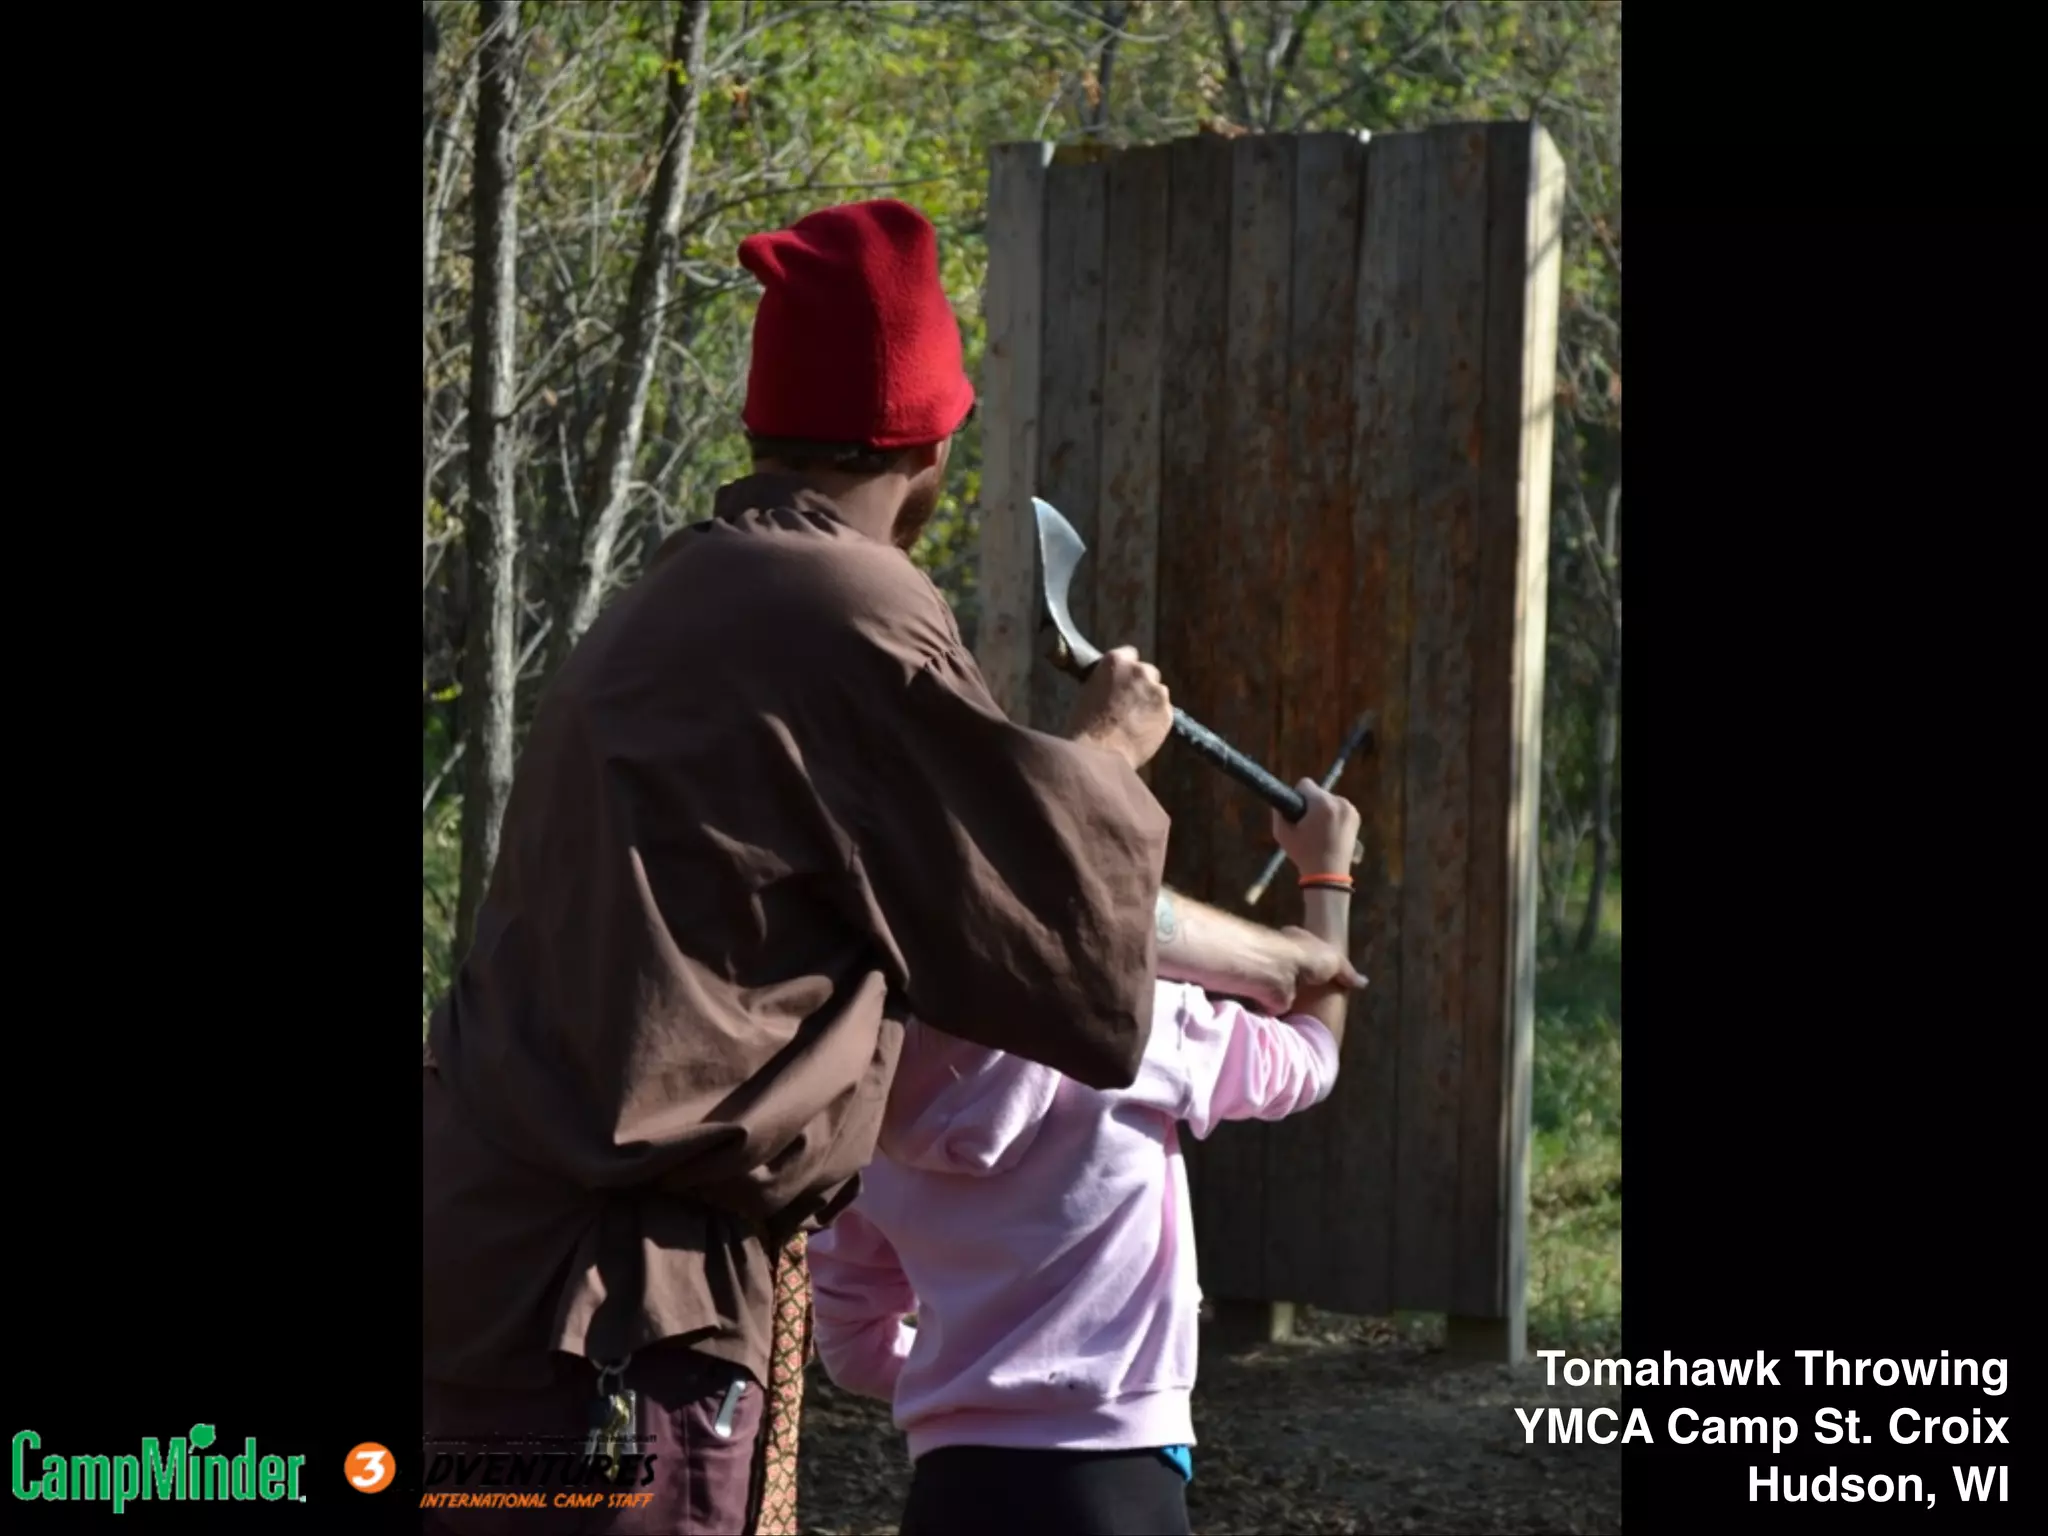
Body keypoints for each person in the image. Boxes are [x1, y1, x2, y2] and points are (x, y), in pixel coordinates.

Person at [421, 197, 1363, 1536]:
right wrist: (1141, 783)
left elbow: (965, 885)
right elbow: (1042, 901)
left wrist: (1269, 939)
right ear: (926, 444)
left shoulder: (671, 605)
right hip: (628, 1325)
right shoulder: (852, 604)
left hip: (486, 1293)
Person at [807, 783, 1363, 1536]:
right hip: (1117, 1489)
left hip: (950, 1497)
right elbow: (1310, 1056)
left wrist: (976, 1389)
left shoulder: (863, 1090)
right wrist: (1326, 875)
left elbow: (850, 1346)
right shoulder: (1132, 1028)